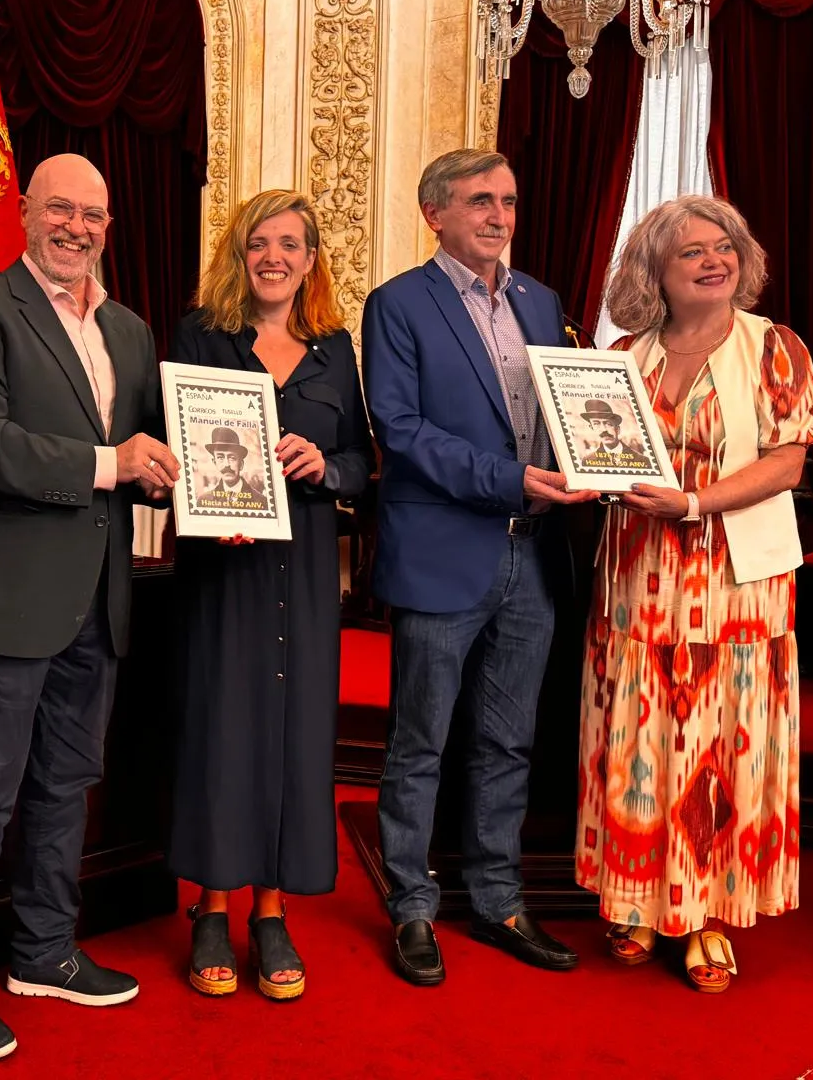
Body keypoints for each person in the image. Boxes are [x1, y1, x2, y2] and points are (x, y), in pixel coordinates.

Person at [0, 153, 180, 1062]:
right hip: (1, 602)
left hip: (96, 602)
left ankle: (43, 951)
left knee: (67, 786)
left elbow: (143, 455)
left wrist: (187, 479)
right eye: (60, 209)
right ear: (25, 212)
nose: (76, 228)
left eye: (93, 215)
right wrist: (114, 464)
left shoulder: (130, 331)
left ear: (109, 226)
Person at [361, 148, 595, 986]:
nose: (500, 216)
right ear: (435, 214)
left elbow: (566, 411)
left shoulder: (541, 301)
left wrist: (597, 460)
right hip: (443, 553)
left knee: (508, 741)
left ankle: (499, 902)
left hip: (533, 555)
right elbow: (400, 430)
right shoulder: (398, 304)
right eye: (480, 201)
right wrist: (511, 478)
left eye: (509, 200)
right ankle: (412, 907)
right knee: (420, 741)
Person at [579, 194, 813, 993]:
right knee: (637, 745)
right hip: (636, 580)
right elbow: (603, 454)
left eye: (724, 247)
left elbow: (788, 463)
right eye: (693, 251)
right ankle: (638, 899)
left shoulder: (775, 347)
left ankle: (709, 913)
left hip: (736, 583)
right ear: (656, 270)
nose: (714, 260)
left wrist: (692, 503)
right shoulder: (624, 354)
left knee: (723, 748)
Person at [169, 189, 373, 1000]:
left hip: (308, 568)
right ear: (240, 254)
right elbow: (174, 444)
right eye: (259, 243)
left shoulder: (335, 348)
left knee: (296, 730)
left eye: (290, 244)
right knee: (223, 727)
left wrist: (327, 467)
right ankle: (213, 904)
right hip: (224, 567)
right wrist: (207, 505)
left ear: (311, 259)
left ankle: (272, 909)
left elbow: (361, 461)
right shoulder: (201, 335)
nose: (274, 258)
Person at [197, 425, 268, 507]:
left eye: (232, 458)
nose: (226, 464)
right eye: (220, 457)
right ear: (214, 462)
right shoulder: (203, 501)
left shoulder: (262, 502)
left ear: (241, 464)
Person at [578, 400, 650, 468]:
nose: (604, 429)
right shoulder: (587, 461)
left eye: (608, 423)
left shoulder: (643, 461)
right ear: (592, 428)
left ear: (618, 429)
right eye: (596, 424)